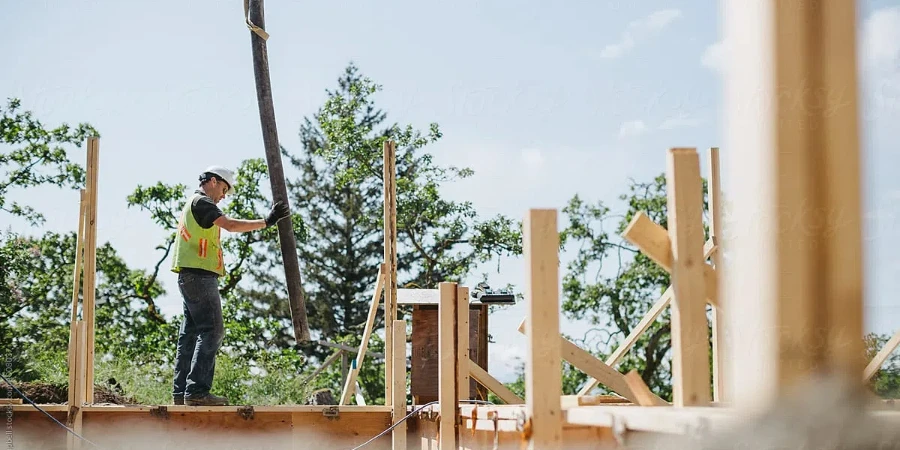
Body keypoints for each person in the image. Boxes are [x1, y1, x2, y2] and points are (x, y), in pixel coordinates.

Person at [170, 166, 290, 406]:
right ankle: (197, 392)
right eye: (223, 189)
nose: (223, 195)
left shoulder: (192, 203)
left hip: (189, 276)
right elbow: (231, 225)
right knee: (213, 331)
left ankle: (181, 392)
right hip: (200, 277)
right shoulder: (202, 203)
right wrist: (267, 221)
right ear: (213, 181)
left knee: (191, 335)